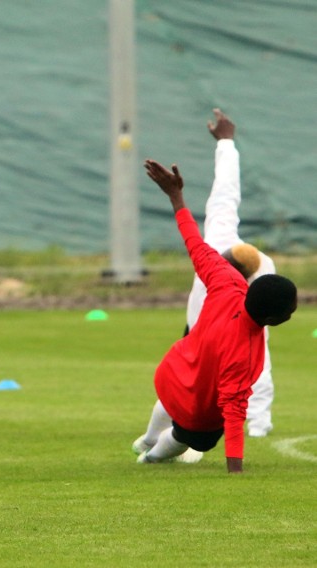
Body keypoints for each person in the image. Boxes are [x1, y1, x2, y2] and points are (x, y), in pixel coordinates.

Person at [133, 159, 296, 473]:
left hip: (172, 373)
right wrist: (235, 467)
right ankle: (150, 456)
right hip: (193, 405)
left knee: (175, 396)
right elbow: (234, 413)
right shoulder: (246, 352)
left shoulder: (225, 281)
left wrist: (176, 198)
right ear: (273, 321)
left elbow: (194, 243)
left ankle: (148, 438)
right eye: (290, 311)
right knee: (199, 435)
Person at [184, 109, 277, 438]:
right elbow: (226, 192)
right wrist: (225, 143)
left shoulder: (252, 271)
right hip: (199, 330)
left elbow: (257, 352)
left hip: (213, 333)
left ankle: (250, 424)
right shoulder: (223, 240)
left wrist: (259, 422)